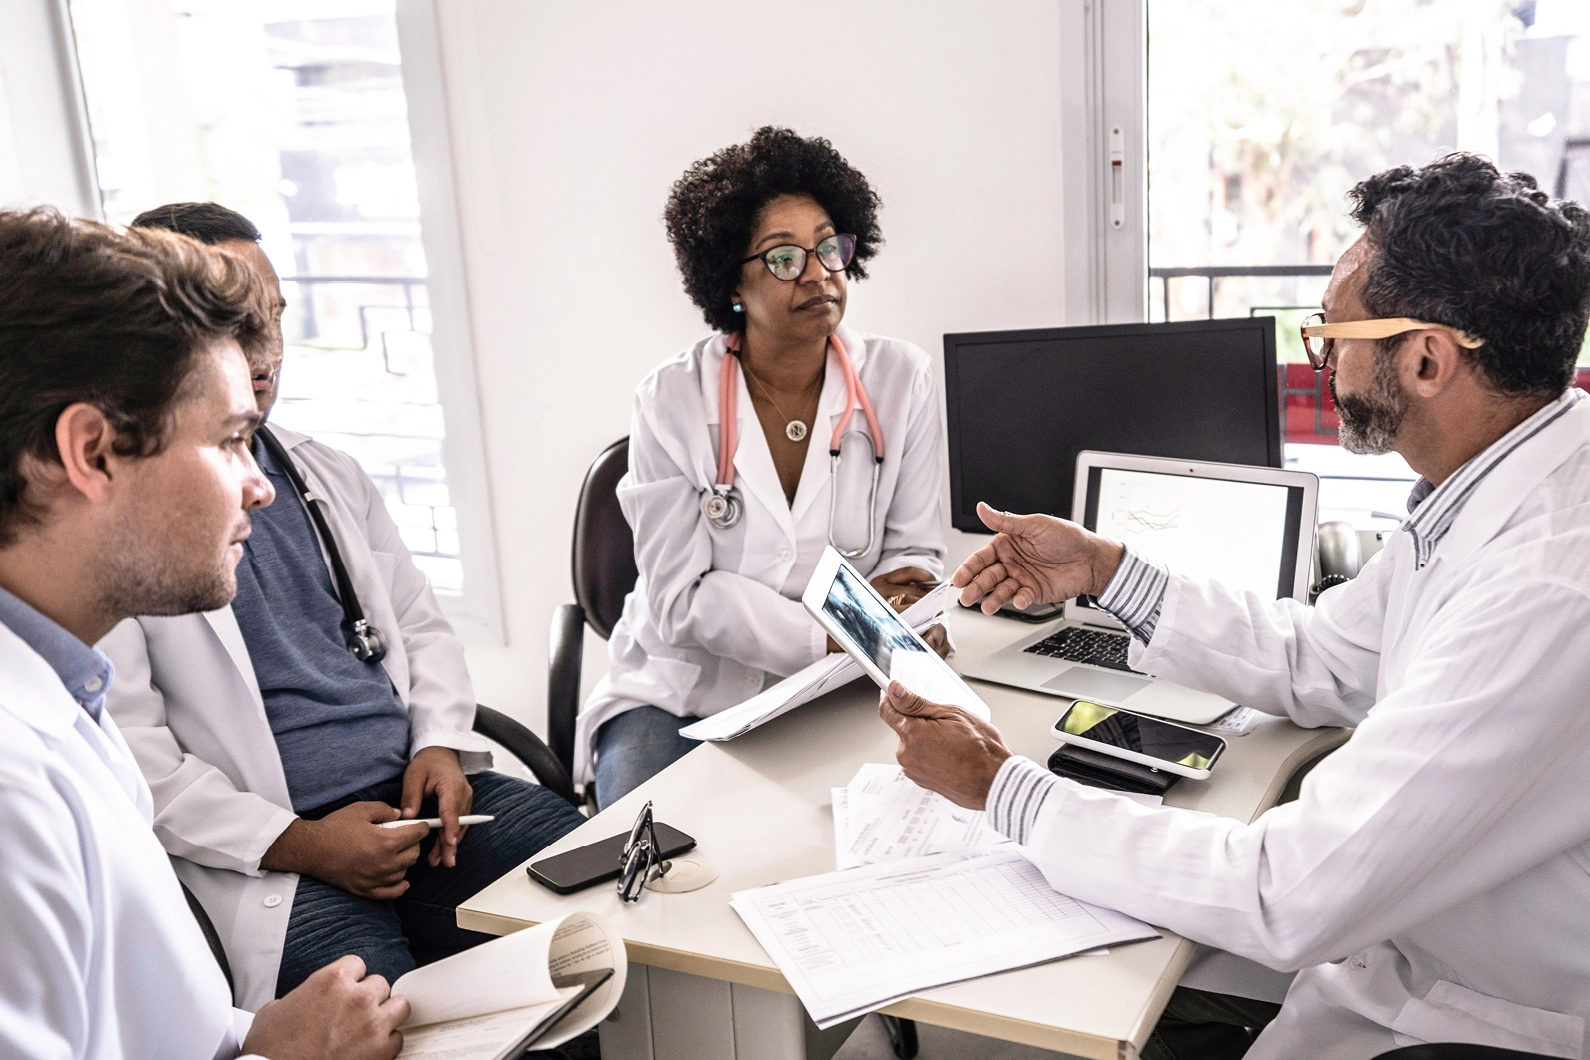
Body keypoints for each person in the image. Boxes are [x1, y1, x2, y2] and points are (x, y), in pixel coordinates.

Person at [879, 154, 1590, 1060]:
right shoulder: (1492, 486)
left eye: (1334, 335)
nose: (1324, 359)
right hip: (1401, 953)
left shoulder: (1546, 590)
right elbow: (1324, 657)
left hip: (1471, 1019)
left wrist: (1000, 788)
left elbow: (1282, 894)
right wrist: (1105, 569)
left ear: (1425, 357)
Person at [99, 202, 585, 1010]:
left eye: (274, 317)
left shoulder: (330, 475)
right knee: (376, 1021)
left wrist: (438, 746)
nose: (262, 348)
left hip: (419, 809)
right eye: (233, 321)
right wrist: (305, 843)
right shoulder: (125, 524)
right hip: (269, 855)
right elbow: (138, 758)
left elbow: (423, 629)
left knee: (618, 902)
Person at [0, 206, 410, 1059]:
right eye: (229, 441)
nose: (261, 486)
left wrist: (253, 1034)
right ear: (95, 451)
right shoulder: (12, 792)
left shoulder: (67, 694)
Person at [577, 127, 949, 809]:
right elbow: (679, 599)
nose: (818, 272)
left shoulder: (901, 379)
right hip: (678, 691)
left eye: (829, 245)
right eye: (783, 257)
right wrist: (836, 629)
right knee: (645, 858)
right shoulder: (671, 401)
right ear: (732, 282)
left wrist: (906, 603)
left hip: (838, 687)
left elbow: (913, 553)